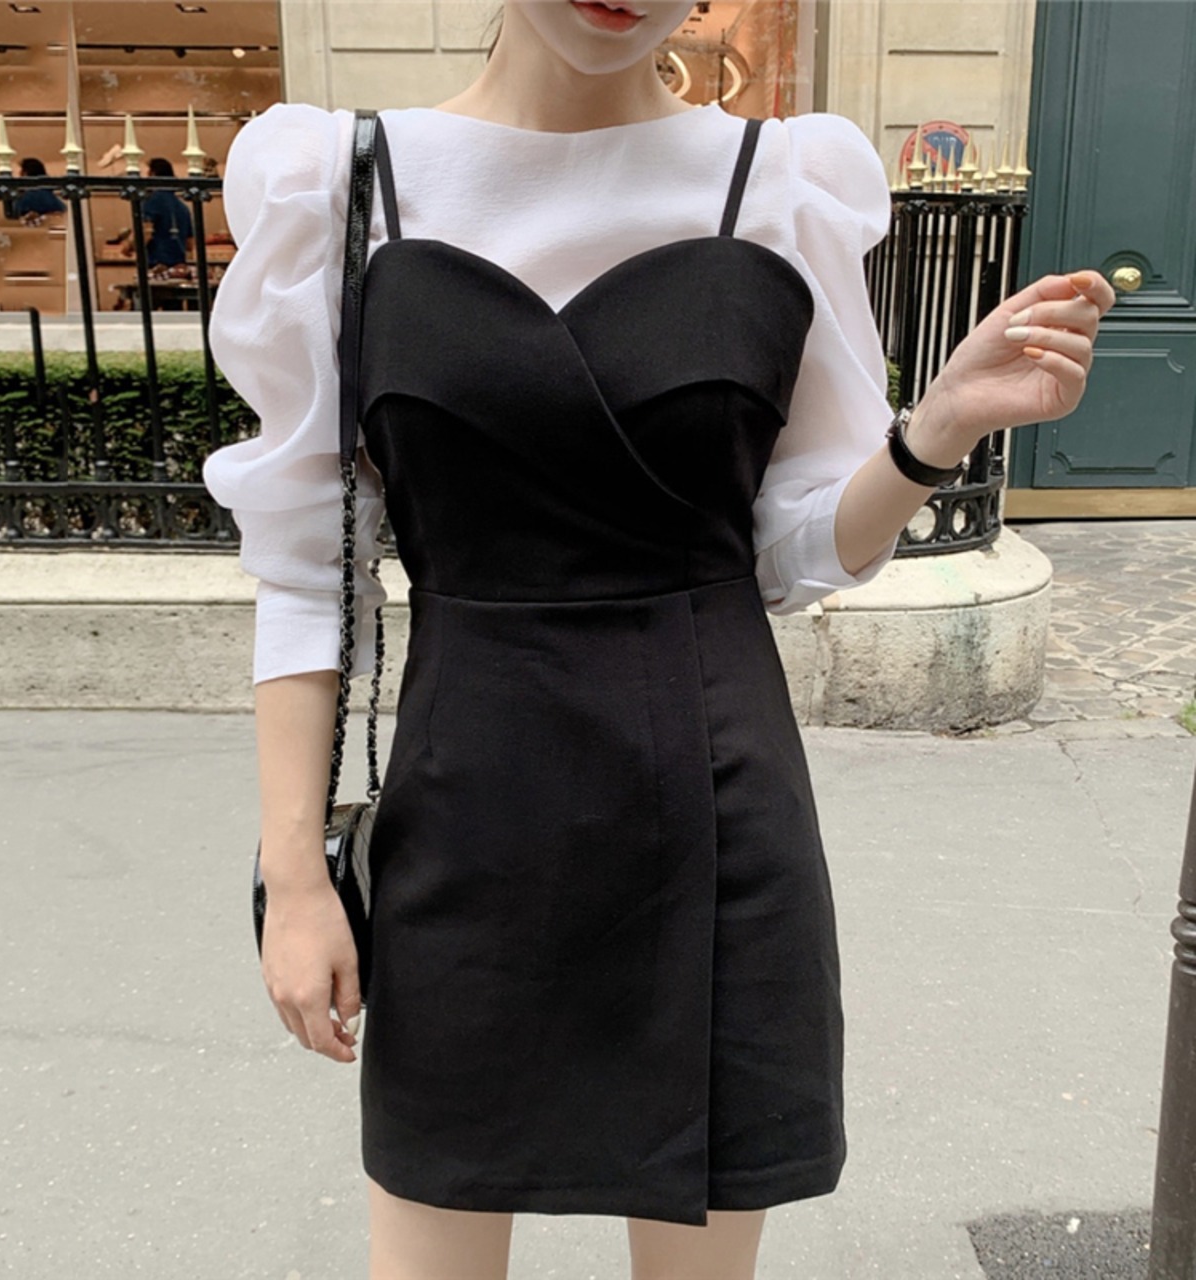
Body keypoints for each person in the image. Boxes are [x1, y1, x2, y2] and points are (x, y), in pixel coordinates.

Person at [201, 4, 1114, 1277]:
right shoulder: (339, 184)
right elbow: (311, 572)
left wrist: (934, 430)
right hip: (462, 815)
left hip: (715, 808)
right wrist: (295, 877)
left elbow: (788, 553)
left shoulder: (783, 183)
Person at [142, 157, 194, 270]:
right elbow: (189, 244)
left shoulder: (152, 201)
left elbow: (146, 233)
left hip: (157, 265)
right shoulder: (183, 207)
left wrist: (129, 246)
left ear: (153, 174)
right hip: (179, 267)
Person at [8, 157, 66, 224]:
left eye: (22, 171)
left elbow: (16, 216)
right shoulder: (47, 192)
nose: (19, 174)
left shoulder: (29, 196)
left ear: (26, 173)